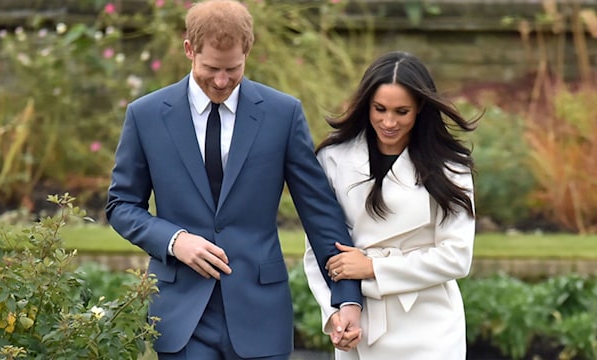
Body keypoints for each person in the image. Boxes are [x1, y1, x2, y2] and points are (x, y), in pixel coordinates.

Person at [105, 1, 362, 359]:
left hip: (261, 314)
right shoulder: (145, 115)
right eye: (210, 68)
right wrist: (175, 240)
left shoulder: (282, 114)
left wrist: (347, 296)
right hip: (182, 318)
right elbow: (121, 205)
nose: (222, 81)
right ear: (188, 50)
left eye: (233, 69)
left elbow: (319, 211)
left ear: (248, 50)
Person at [303, 51, 479, 359]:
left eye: (402, 112)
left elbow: (456, 257)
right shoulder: (334, 158)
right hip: (359, 322)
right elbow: (317, 248)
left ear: (420, 109)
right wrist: (334, 315)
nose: (388, 122)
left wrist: (373, 267)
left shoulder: (451, 168)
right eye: (379, 109)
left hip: (429, 327)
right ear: (366, 104)